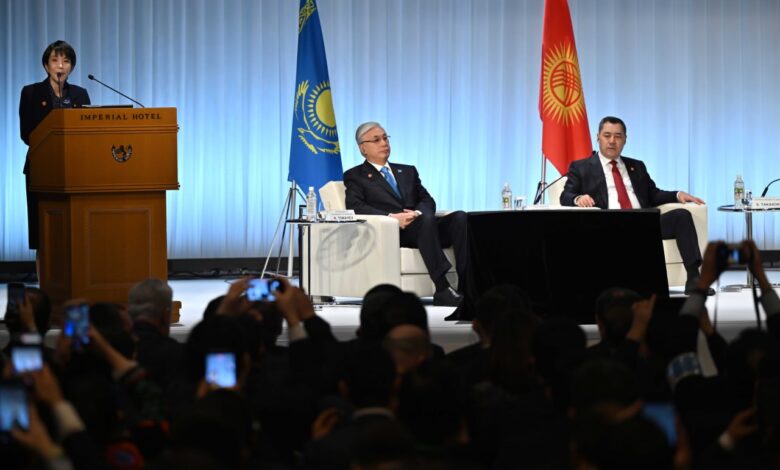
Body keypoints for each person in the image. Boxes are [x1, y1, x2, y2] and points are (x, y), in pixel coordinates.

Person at [560, 116, 713, 295]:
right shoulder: (582, 167)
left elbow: (653, 194)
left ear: (625, 139)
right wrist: (578, 198)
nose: (612, 141)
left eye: (618, 136)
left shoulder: (636, 166)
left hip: (644, 222)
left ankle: (694, 279)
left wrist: (677, 195)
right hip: (609, 225)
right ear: (598, 137)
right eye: (607, 135)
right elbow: (565, 196)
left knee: (681, 216)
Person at [344, 121, 468, 306]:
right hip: (395, 232)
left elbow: (427, 200)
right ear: (363, 148)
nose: (384, 143)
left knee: (460, 218)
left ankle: (466, 286)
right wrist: (392, 218)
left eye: (385, 138)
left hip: (423, 226)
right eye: (376, 140)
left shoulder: (408, 171)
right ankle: (442, 288)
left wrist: (417, 213)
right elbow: (355, 206)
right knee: (425, 222)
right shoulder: (355, 175)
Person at [19, 40, 91, 251]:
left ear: (72, 66)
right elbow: (26, 134)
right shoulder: (31, 93)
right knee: (43, 230)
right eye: (55, 60)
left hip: (75, 169)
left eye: (66, 61)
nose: (60, 66)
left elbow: (87, 133)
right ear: (46, 65)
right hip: (41, 168)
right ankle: (44, 269)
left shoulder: (80, 94)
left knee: (74, 228)